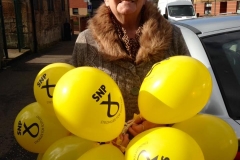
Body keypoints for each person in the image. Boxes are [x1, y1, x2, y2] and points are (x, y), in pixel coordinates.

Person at [70, 0, 190, 151]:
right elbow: (74, 104)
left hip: (162, 149)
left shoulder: (173, 35)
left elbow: (188, 91)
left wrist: (161, 122)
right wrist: (108, 137)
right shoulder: (86, 42)